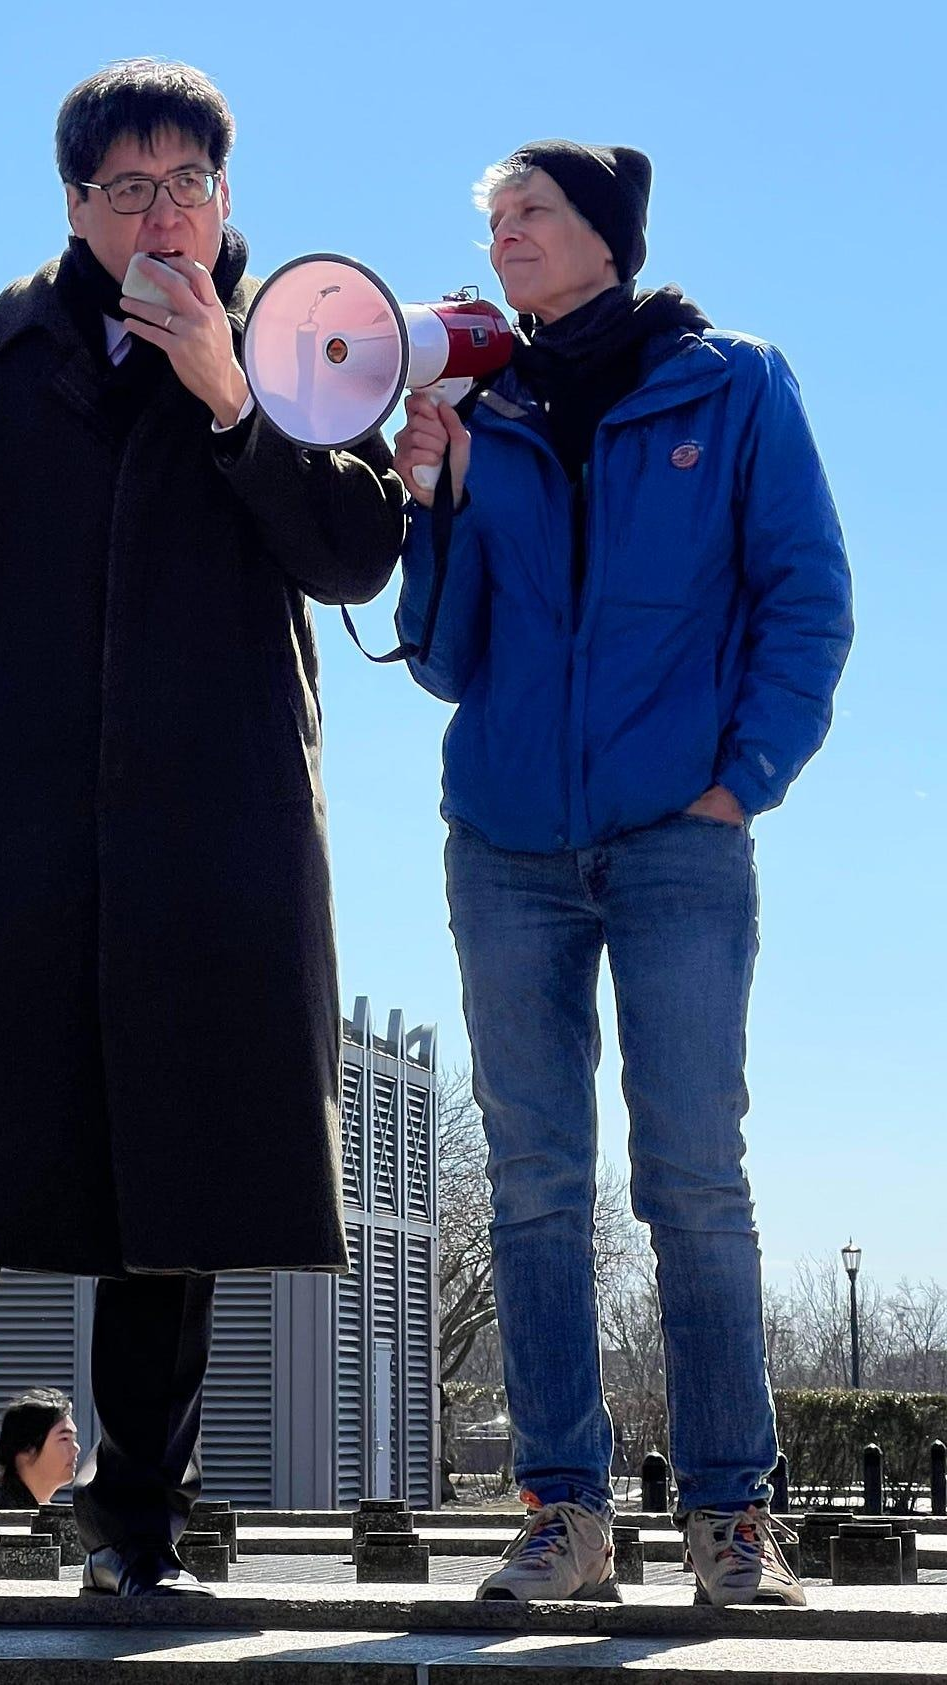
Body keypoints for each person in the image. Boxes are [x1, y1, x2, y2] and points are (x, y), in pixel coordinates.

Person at [0, 58, 404, 1600]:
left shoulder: (309, 344)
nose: (163, 214)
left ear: (228, 194)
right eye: (128, 189)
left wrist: (232, 402)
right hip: (15, 831)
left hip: (219, 831)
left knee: (174, 1187)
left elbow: (351, 552)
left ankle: (138, 1534)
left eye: (188, 182)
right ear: (74, 205)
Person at [393, 140, 852, 1608]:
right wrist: (433, 496)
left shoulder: (735, 384)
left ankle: (731, 1517)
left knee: (694, 1180)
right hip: (506, 848)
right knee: (533, 1186)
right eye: (494, 217)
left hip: (679, 842)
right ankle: (564, 1518)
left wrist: (743, 783)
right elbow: (447, 658)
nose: (505, 235)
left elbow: (808, 596)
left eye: (529, 212)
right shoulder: (488, 400)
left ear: (607, 232)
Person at [0, 1390, 81, 1514]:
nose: (76, 1448)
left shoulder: (36, 1510)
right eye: (64, 1439)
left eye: (74, 1439)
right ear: (27, 1448)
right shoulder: (0, 1515)